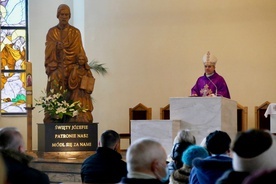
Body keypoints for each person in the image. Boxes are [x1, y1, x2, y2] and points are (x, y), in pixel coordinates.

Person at [44, 4, 94, 123]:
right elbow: (48, 49)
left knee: (76, 76)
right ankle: (55, 114)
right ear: (58, 15)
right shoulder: (52, 32)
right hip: (57, 66)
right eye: (62, 14)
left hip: (72, 66)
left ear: (69, 16)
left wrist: (82, 66)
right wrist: (56, 46)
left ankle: (75, 114)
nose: (64, 17)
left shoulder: (75, 32)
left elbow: (80, 51)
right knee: (55, 77)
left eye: (66, 15)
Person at [68, 54, 95, 123]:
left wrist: (87, 83)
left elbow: (90, 81)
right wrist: (74, 70)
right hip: (77, 91)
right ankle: (76, 117)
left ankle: (85, 117)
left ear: (85, 60)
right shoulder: (75, 70)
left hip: (84, 93)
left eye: (82, 59)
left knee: (85, 107)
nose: (81, 61)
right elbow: (72, 80)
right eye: (79, 59)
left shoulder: (87, 71)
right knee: (76, 105)